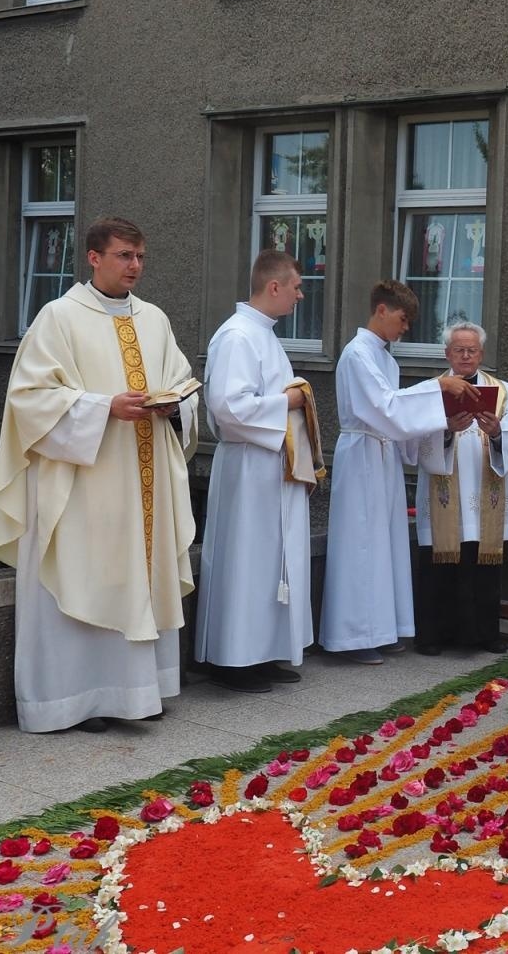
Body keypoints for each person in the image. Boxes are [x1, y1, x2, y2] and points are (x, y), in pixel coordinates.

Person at [0, 216, 198, 733]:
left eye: (140, 256)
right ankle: (79, 699)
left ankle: (137, 693)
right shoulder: (58, 318)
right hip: (85, 484)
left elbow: (182, 381)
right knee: (85, 574)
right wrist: (104, 407)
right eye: (125, 255)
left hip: (143, 483)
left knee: (137, 573)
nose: (135, 266)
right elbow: (28, 400)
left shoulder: (154, 319)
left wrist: (174, 406)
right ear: (94, 257)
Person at [321, 281, 474, 663]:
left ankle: (382, 628)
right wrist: (437, 386)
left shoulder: (386, 360)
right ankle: (353, 637)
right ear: (382, 310)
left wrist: (443, 425)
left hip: (384, 455)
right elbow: (385, 407)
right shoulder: (357, 353)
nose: (405, 328)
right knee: (360, 544)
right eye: (403, 319)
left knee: (385, 543)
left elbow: (398, 417)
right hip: (361, 455)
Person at [195, 250, 320, 693]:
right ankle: (233, 661)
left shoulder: (264, 334)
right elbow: (227, 407)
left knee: (271, 563)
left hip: (272, 465)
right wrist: (288, 402)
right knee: (246, 561)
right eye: (297, 287)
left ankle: (263, 652)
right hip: (248, 467)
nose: (300, 296)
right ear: (274, 286)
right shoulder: (237, 336)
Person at [412, 321, 508, 655]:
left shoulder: (503, 391)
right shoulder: (430, 390)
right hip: (444, 492)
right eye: (459, 350)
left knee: (482, 566)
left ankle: (485, 634)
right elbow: (415, 437)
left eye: (472, 350)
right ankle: (434, 636)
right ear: (447, 353)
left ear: (481, 354)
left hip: (484, 492)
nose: (466, 356)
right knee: (441, 564)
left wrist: (497, 432)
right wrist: (447, 429)